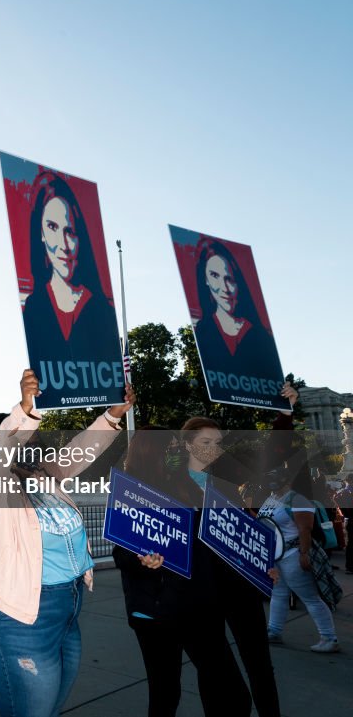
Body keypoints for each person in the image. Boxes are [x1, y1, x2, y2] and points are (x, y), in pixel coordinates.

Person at [0, 369, 134, 717]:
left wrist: (112, 415)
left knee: (48, 707)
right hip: (17, 613)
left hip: (67, 604)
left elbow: (81, 450)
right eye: (22, 440)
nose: (30, 446)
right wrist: (22, 411)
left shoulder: (43, 477)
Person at [178, 381, 300, 717]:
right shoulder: (170, 483)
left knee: (259, 665)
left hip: (240, 584)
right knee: (213, 672)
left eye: (217, 442)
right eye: (205, 442)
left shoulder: (228, 477)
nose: (213, 448)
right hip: (199, 591)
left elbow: (272, 455)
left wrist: (284, 416)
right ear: (187, 443)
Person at [113, 427, 251, 716]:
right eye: (171, 448)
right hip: (155, 610)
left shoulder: (188, 485)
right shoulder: (131, 491)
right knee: (165, 693)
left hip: (198, 604)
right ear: (152, 452)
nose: (176, 453)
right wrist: (142, 559)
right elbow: (122, 552)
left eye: (178, 447)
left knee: (231, 692)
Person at [20, 171, 121, 371]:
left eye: (70, 231)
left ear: (80, 237)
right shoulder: (33, 307)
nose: (63, 245)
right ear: (40, 232)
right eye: (52, 227)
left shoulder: (102, 309)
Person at [259, 461, 341, 652]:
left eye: (274, 478)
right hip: (278, 556)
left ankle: (330, 638)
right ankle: (274, 631)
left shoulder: (297, 500)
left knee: (310, 598)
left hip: (293, 555)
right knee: (278, 594)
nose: (271, 482)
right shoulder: (272, 498)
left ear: (285, 480)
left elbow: (305, 529)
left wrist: (304, 554)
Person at [191, 238, 283, 393]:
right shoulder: (201, 331)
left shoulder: (261, 336)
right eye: (214, 275)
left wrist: (285, 407)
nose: (225, 288)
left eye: (229, 279)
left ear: (238, 282)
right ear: (205, 279)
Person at [336, 477, 353, 573]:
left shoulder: (344, 492)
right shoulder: (348, 492)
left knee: (350, 543)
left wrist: (344, 513)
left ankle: (349, 566)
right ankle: (350, 567)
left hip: (349, 518)